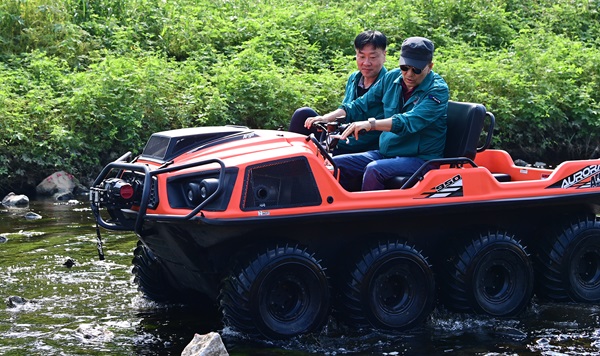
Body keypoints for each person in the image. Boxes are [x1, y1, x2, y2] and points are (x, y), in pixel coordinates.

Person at [305, 36, 449, 191]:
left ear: (430, 66)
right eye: (405, 67)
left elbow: (408, 122)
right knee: (335, 164)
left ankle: (367, 214)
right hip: (387, 153)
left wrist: (371, 124)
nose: (409, 74)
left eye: (417, 70)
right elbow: (360, 104)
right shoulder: (393, 77)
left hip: (421, 159)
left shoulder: (437, 91)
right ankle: (332, 211)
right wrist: (326, 118)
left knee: (375, 169)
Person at [289, 30, 387, 155]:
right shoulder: (354, 78)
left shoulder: (388, 83)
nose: (366, 63)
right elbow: (345, 112)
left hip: (361, 143)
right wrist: (325, 123)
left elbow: (376, 129)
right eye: (362, 56)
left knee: (317, 149)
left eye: (372, 57)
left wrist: (333, 140)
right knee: (303, 114)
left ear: (384, 55)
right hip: (340, 135)